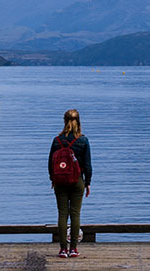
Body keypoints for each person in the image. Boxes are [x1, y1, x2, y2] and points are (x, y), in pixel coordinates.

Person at [48, 109, 92, 258]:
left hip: (60, 181)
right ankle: (73, 249)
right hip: (77, 181)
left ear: (64, 121)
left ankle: (62, 249)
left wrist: (52, 179)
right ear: (78, 121)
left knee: (62, 214)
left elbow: (50, 162)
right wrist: (87, 183)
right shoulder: (83, 140)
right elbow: (87, 164)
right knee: (75, 214)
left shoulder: (57, 140)